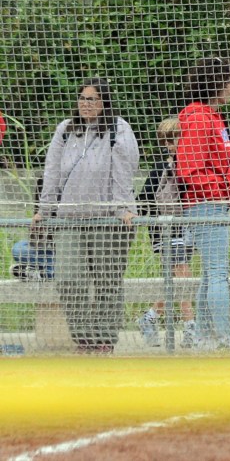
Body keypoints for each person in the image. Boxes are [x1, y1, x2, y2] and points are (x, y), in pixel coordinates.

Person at [34, 78, 139, 355]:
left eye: (92, 99)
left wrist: (123, 208)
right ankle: (82, 338)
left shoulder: (119, 129)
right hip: (69, 219)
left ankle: (104, 339)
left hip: (107, 219)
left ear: (104, 102)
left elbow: (123, 173)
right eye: (82, 98)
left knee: (108, 279)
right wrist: (44, 210)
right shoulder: (66, 130)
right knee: (69, 279)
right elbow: (52, 173)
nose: (86, 104)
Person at [176, 57, 230, 349]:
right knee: (217, 272)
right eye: (229, 81)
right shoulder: (199, 120)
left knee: (209, 273)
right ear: (217, 85)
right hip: (206, 204)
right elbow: (187, 169)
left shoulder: (212, 118)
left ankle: (205, 337)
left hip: (215, 203)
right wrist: (219, 188)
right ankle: (226, 336)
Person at [136, 117, 195, 349]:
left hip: (184, 229)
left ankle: (149, 317)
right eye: (171, 140)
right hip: (165, 231)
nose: (176, 143)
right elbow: (144, 199)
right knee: (183, 273)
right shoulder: (162, 168)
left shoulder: (189, 165)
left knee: (175, 279)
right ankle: (191, 325)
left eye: (179, 138)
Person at [10, 179, 54, 281]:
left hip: (64, 254)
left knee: (60, 267)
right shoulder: (40, 211)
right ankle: (43, 271)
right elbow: (36, 245)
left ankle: (37, 272)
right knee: (18, 248)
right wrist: (37, 231)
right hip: (49, 254)